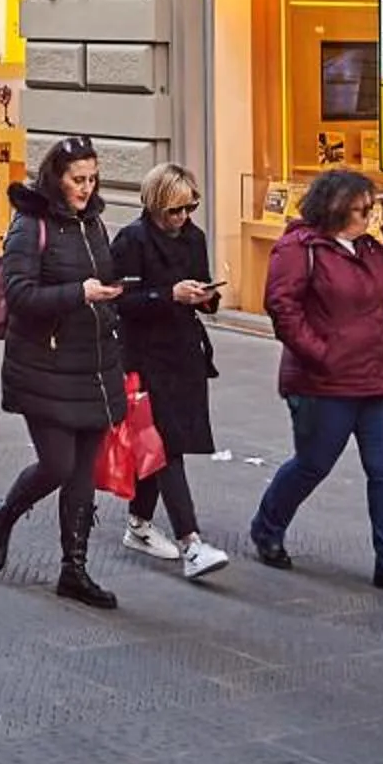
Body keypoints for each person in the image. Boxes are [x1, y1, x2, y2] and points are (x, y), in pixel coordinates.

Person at [245, 168, 383, 600]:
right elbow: (282, 306)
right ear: (333, 207)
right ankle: (267, 526)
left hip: (379, 380)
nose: (369, 215)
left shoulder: (371, 247)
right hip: (323, 382)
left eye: (371, 207)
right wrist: (321, 354)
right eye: (361, 208)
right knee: (313, 464)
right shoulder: (299, 247)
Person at [0, 135, 126, 609]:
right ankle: (4, 514)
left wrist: (111, 295)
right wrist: (77, 294)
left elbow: (100, 277)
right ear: (56, 179)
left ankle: (74, 569)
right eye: (77, 180)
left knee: (83, 470)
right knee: (57, 464)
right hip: (42, 364)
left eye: (92, 178)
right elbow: (21, 294)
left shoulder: (94, 223)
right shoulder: (31, 224)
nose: (87, 188)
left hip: (92, 362)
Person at [109, 163, 231, 582]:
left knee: (163, 445)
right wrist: (169, 294)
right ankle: (190, 543)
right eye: (174, 211)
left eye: (189, 208)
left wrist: (206, 297)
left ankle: (139, 523)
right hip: (143, 357)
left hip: (184, 353)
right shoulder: (131, 241)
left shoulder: (194, 237)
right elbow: (119, 301)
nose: (182, 218)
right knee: (165, 446)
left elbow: (200, 287)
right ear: (156, 205)